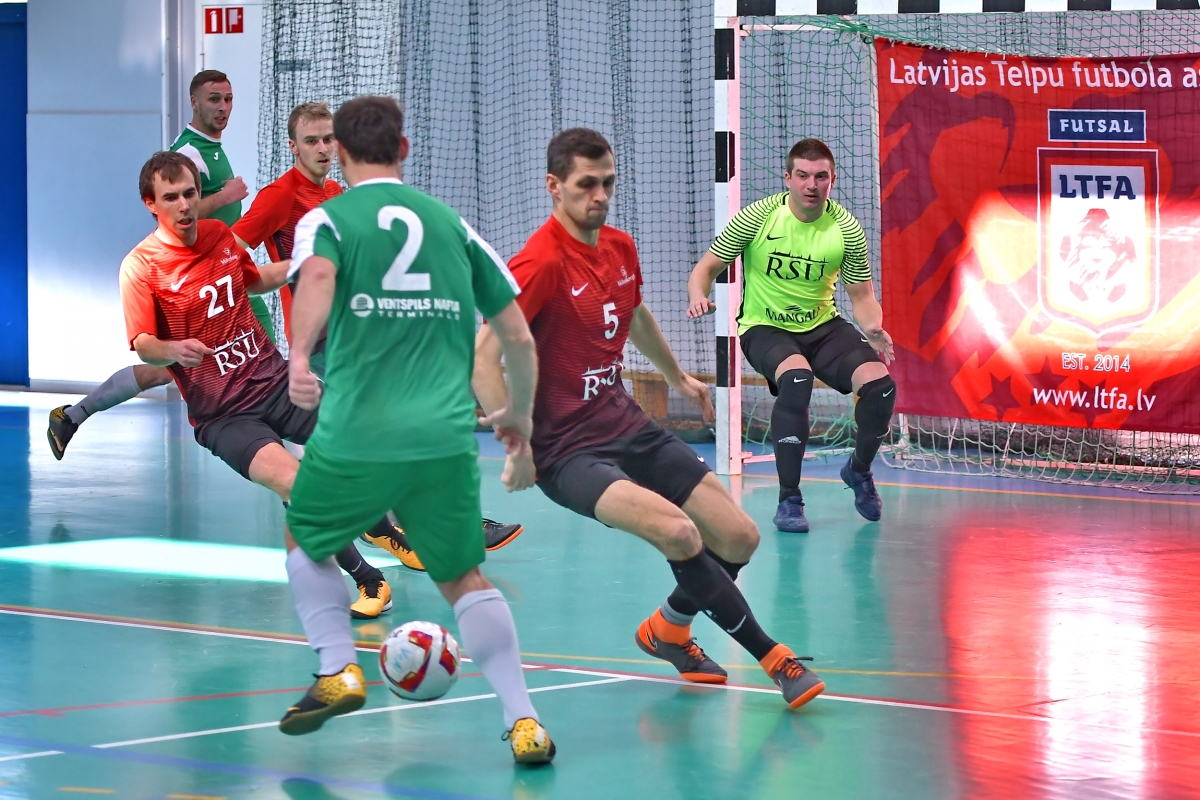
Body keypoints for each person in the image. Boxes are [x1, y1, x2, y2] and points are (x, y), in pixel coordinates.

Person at [473, 128, 824, 710]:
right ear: (554, 186)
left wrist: (677, 377)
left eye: (608, 183)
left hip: (622, 422)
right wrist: (518, 443)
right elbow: (483, 356)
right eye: (587, 185)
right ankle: (774, 658)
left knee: (739, 536)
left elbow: (633, 312)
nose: (600, 196)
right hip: (566, 451)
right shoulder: (539, 263)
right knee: (679, 531)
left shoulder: (619, 246)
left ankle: (668, 630)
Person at [282, 96, 554, 764]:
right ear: (404, 149)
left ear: (340, 154)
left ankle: (338, 667)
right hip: (444, 438)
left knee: (305, 537)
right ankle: (524, 721)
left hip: (358, 433)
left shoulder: (327, 219)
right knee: (463, 577)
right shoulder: (453, 226)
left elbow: (317, 276)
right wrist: (518, 417)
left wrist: (298, 357)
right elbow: (518, 336)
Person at [231, 101, 524, 568]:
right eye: (311, 141)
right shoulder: (280, 196)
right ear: (293, 147)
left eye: (328, 139)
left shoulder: (335, 193)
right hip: (326, 339)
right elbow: (230, 251)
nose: (322, 148)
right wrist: (294, 270)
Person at [119, 150, 400, 619]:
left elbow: (254, 280)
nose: (185, 205)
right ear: (151, 203)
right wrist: (173, 349)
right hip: (225, 415)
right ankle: (369, 579)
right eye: (171, 197)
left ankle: (389, 524)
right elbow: (144, 345)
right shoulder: (141, 266)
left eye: (190, 193)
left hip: (273, 382)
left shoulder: (217, 235)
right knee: (296, 483)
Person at [46, 70, 268, 458]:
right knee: (183, 368)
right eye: (214, 99)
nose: (223, 107)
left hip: (223, 275)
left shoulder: (211, 147)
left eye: (228, 99)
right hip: (201, 282)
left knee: (180, 369)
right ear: (194, 102)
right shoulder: (189, 153)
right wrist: (226, 196)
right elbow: (177, 213)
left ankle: (73, 416)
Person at [686, 137, 896, 533]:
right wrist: (698, 295)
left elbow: (862, 296)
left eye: (820, 177)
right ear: (788, 179)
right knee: (797, 379)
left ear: (833, 180)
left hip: (822, 325)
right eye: (802, 176)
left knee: (881, 386)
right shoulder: (758, 217)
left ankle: (859, 469)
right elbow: (706, 267)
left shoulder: (846, 229)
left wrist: (872, 327)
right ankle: (789, 499)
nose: (811, 185)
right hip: (764, 327)